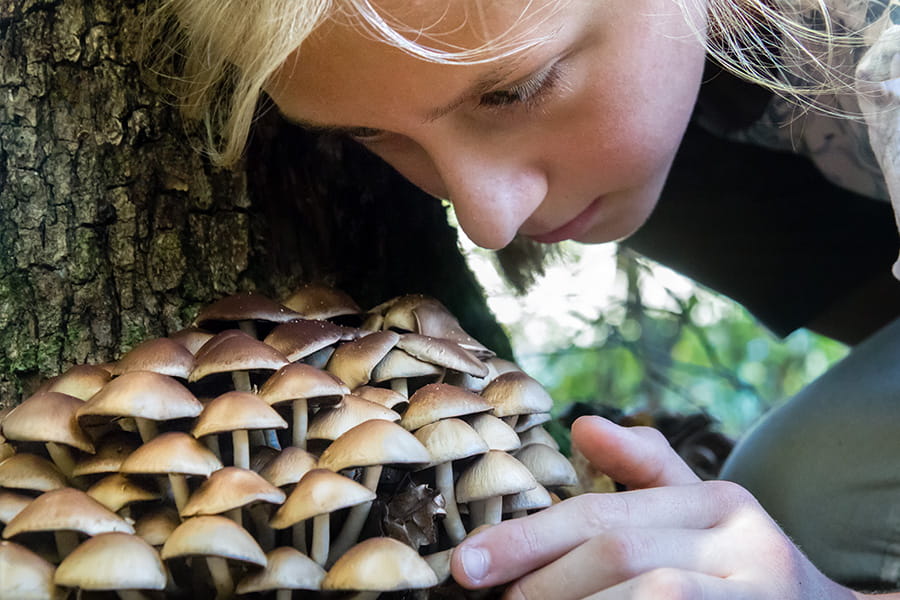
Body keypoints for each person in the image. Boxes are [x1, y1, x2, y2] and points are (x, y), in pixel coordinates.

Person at [155, 0, 900, 597]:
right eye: (371, 134)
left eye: (512, 89)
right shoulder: (638, 123)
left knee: (803, 512)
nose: (487, 221)